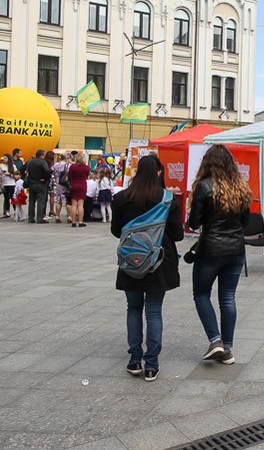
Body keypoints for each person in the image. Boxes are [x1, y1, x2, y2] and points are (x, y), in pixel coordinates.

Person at [111, 155, 184, 382]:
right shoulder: (168, 200)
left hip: (130, 260)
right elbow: (178, 234)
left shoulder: (121, 198)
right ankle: (151, 365)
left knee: (133, 308)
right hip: (158, 262)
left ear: (137, 171)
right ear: (159, 172)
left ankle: (135, 360)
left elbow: (116, 231)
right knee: (153, 311)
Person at [187, 144, 252, 365]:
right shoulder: (241, 187)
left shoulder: (204, 186)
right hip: (236, 250)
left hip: (210, 250)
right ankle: (228, 349)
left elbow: (194, 222)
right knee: (228, 297)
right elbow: (245, 221)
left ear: (207, 163)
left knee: (201, 294)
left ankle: (215, 340)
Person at [24, 149, 51, 224]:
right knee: (41, 201)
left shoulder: (30, 161)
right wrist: (46, 179)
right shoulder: (43, 162)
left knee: (31, 201)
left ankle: (31, 218)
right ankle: (39, 218)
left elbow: (22, 169)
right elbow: (47, 170)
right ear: (42, 155)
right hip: (40, 183)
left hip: (31, 183)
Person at [68, 153, 91, 227]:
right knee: (80, 205)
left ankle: (73, 222)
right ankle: (80, 222)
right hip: (82, 185)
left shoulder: (72, 167)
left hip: (74, 185)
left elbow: (69, 176)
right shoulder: (86, 168)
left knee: (74, 204)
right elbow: (87, 176)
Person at [0, 153, 16, 217]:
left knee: (12, 197)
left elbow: (16, 175)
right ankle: (7, 211)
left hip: (11, 183)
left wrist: (10, 174)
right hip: (4, 183)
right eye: (4, 158)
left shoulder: (13, 166)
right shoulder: (1, 166)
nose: (4, 159)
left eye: (5, 158)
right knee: (6, 198)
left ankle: (16, 210)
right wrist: (0, 175)